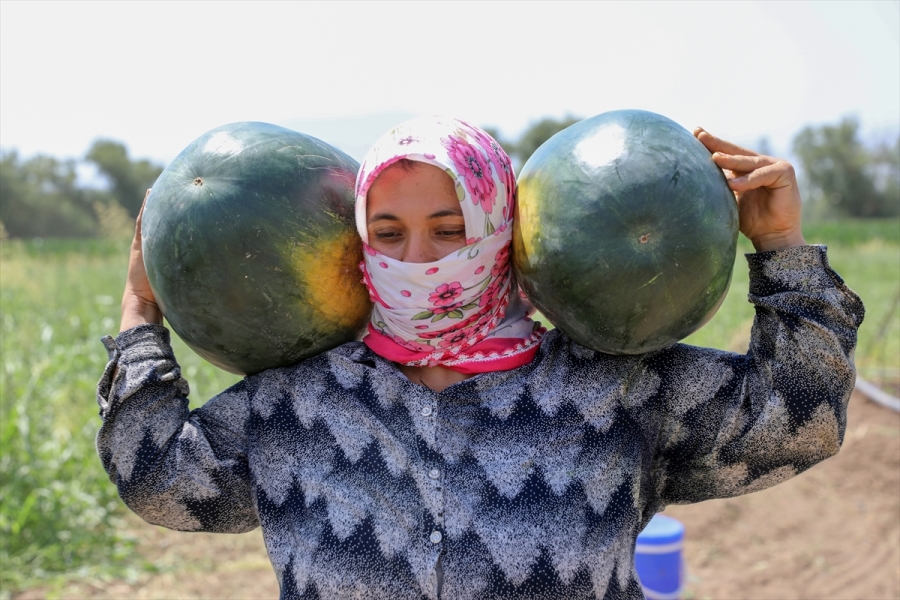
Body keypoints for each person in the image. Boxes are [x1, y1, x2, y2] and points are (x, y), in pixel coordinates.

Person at [97, 116, 864, 600]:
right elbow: (159, 479)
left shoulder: (608, 384)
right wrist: (142, 308)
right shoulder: (301, 402)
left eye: (449, 228)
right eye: (389, 234)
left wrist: (781, 248)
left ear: (500, 227)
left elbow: (795, 423)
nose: (420, 257)